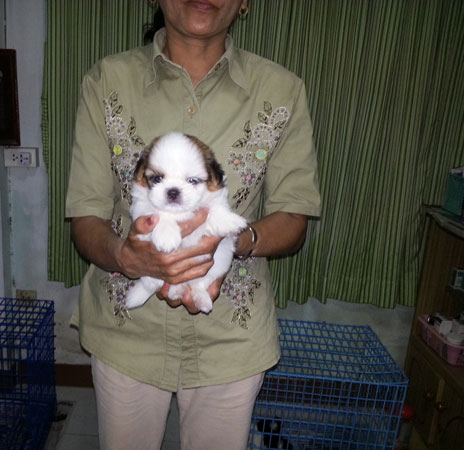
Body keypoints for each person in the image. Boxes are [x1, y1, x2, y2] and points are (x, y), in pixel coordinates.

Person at [65, 1, 321, 449]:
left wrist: (235, 240)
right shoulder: (107, 81)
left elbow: (294, 215)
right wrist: (126, 257)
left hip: (230, 339)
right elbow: (85, 214)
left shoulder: (281, 90)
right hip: (127, 332)